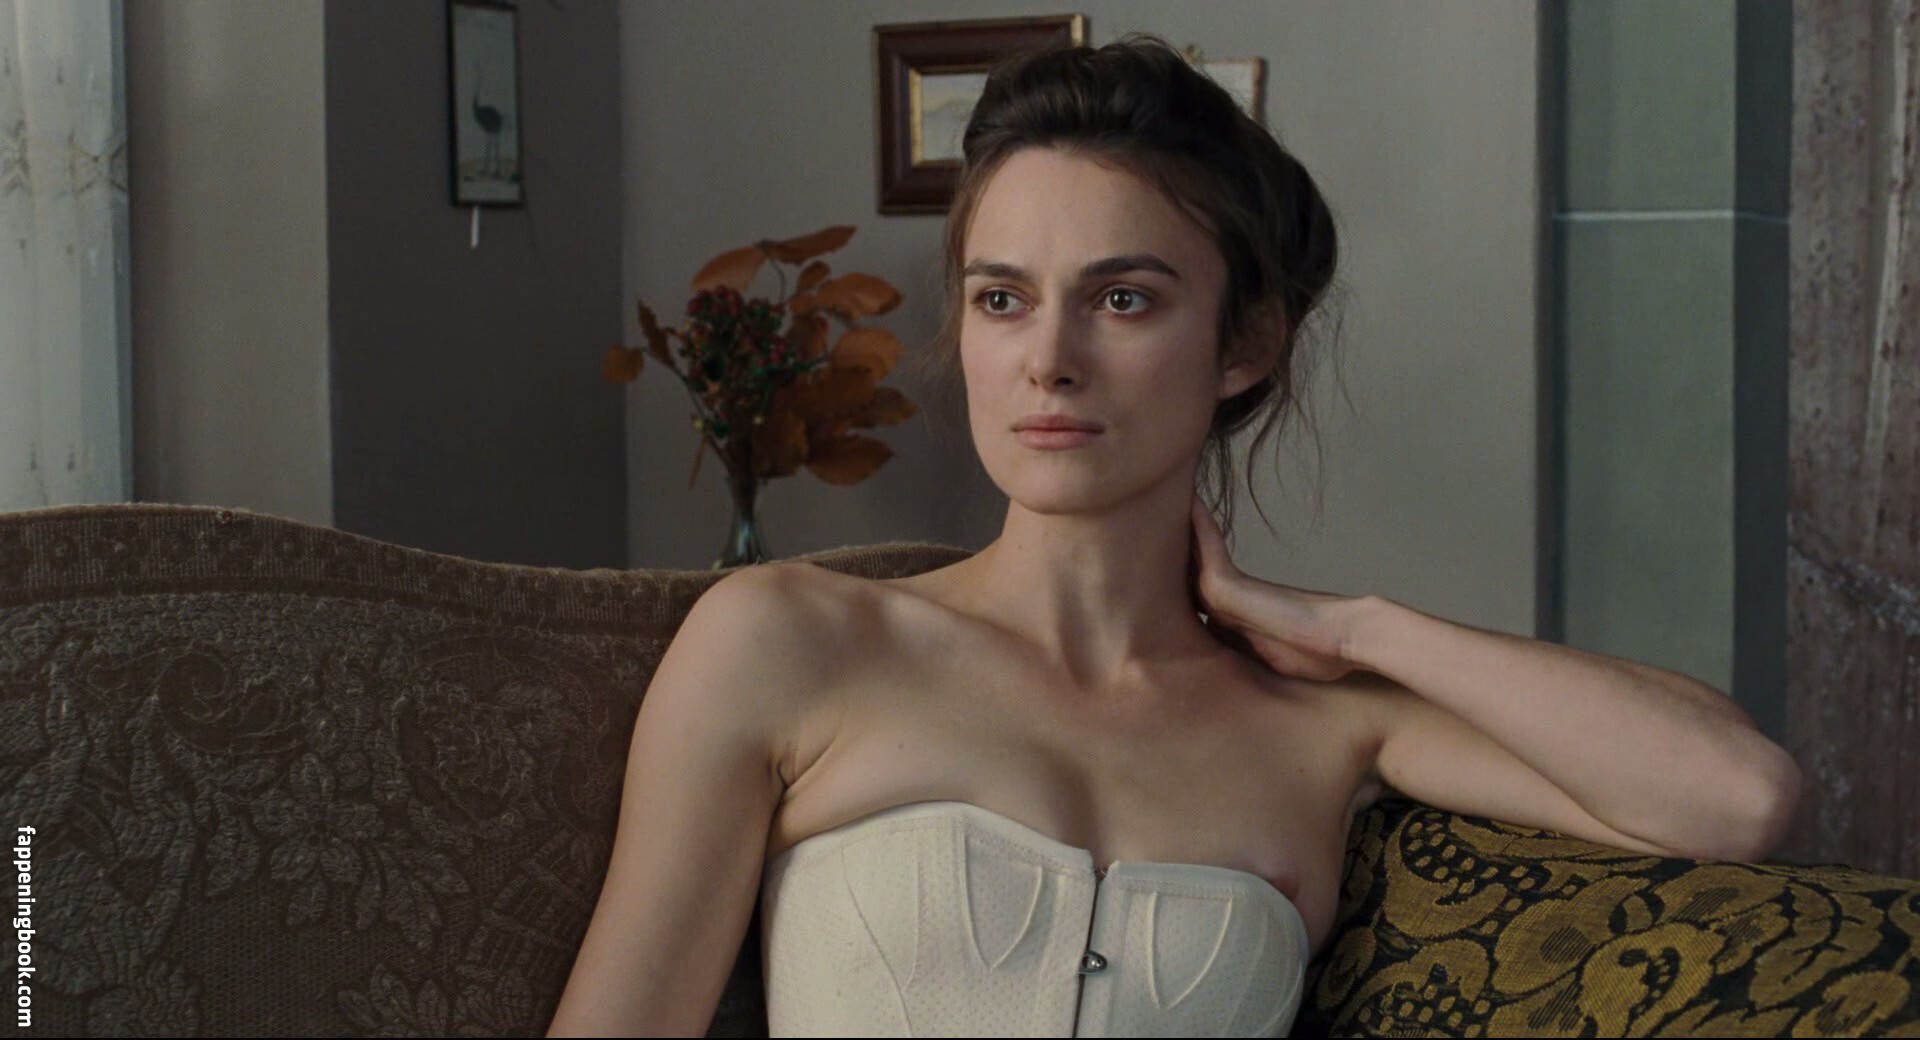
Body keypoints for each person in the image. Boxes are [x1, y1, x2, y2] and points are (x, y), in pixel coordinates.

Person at [546, 33, 1802, 1038]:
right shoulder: (787, 639)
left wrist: (1358, 626)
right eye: (1003, 298)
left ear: (1244, 345)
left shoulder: (1324, 722)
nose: (1049, 358)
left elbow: (1737, 796)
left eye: (1123, 297)